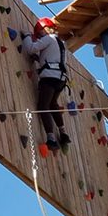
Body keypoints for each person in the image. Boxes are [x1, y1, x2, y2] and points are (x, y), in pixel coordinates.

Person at [19, 17, 70, 152]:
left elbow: (31, 48)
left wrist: (27, 36)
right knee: (53, 104)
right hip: (61, 79)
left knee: (43, 106)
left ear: (44, 29)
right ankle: (63, 133)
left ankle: (51, 139)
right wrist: (39, 59)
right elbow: (51, 58)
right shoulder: (61, 43)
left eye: (40, 33)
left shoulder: (49, 38)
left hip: (49, 77)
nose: (39, 36)